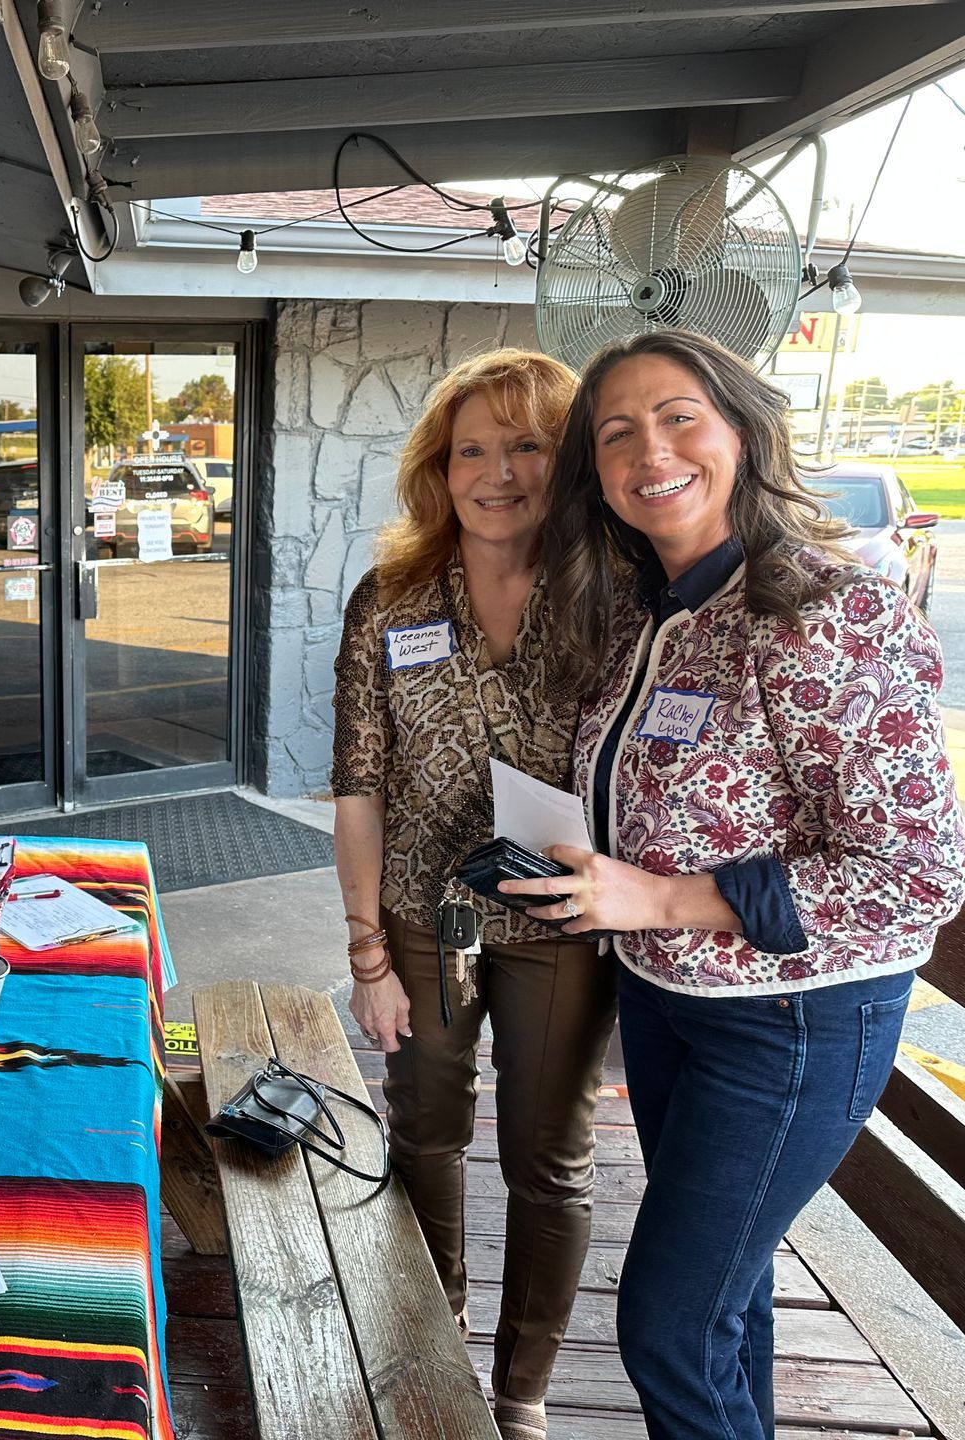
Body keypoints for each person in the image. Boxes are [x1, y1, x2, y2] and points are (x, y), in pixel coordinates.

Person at [501, 330, 965, 1440]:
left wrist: (657, 901)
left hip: (793, 1022)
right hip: (671, 1007)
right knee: (725, 1305)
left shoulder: (826, 609)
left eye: (677, 416)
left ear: (746, 431)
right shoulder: (648, 612)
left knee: (665, 1325)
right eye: (615, 433)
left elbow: (912, 872)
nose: (646, 449)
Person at [331, 348, 609, 1440]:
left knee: (551, 1156)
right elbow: (358, 784)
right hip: (423, 917)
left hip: (562, 925)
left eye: (528, 443)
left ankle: (524, 1390)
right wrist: (366, 957)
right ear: (439, 472)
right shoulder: (392, 595)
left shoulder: (615, 595)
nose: (498, 471)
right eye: (471, 451)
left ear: (568, 459)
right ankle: (435, 1337)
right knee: (428, 1131)